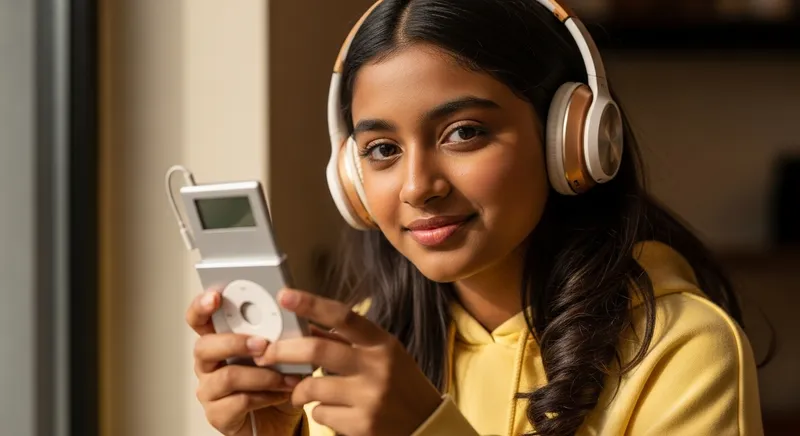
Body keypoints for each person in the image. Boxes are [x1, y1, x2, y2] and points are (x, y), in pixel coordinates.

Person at [186, 0, 764, 435]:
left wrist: (426, 427)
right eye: (382, 149)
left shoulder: (686, 350)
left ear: (571, 139)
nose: (418, 187)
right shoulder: (356, 349)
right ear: (352, 178)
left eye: (464, 133)